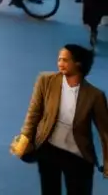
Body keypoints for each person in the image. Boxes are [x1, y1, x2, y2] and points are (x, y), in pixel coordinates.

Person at [12, 44, 108, 194]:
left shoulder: (95, 96)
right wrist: (25, 137)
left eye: (65, 60)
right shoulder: (46, 81)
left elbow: (105, 132)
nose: (59, 63)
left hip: (78, 155)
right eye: (59, 59)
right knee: (49, 190)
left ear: (78, 64)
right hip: (49, 149)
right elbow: (34, 112)